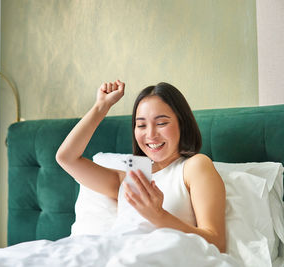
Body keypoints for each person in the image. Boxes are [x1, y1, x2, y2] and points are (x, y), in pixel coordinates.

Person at [55, 80, 226, 253]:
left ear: (183, 124)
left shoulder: (194, 166)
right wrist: (101, 106)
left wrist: (158, 215)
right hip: (114, 254)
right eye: (141, 125)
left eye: (161, 123)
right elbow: (66, 158)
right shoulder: (130, 179)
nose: (150, 134)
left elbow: (216, 242)